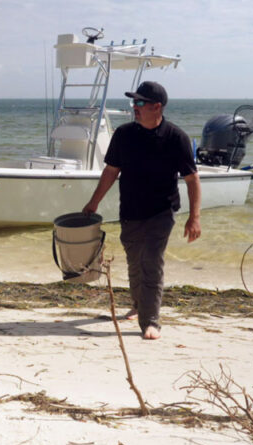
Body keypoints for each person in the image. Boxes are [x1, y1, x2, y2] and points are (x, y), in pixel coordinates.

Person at [82, 81, 201, 340]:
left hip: (162, 211)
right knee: (135, 262)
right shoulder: (124, 135)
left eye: (139, 103)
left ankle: (151, 322)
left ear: (157, 107)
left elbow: (192, 180)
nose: (134, 108)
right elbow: (111, 172)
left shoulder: (175, 137)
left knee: (151, 262)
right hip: (130, 210)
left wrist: (194, 218)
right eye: (133, 103)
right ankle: (137, 306)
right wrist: (94, 202)